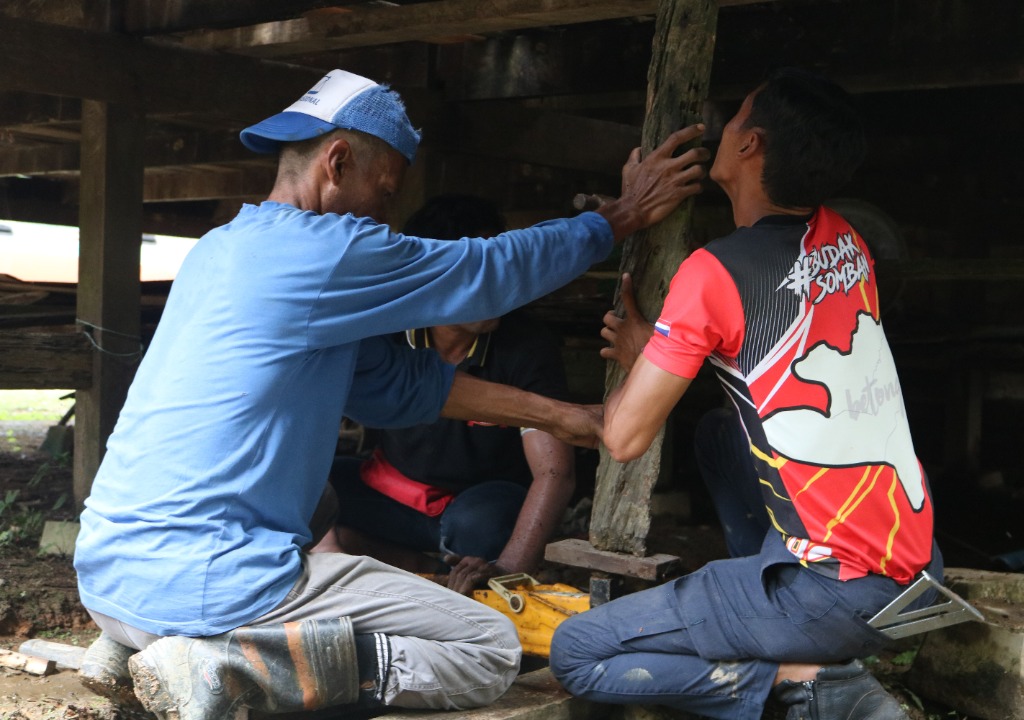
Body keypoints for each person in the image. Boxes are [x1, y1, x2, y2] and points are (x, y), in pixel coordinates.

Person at [71, 68, 709, 720]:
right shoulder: (323, 251)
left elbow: (399, 387)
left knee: (319, 499)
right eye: (384, 195)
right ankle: (229, 664)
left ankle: (132, 646)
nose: (386, 218)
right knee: (488, 646)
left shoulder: (222, 250)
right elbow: (487, 270)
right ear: (337, 162)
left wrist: (563, 417)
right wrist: (620, 217)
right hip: (204, 585)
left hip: (111, 579)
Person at [549, 67, 941, 720]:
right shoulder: (847, 241)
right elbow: (767, 371)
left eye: (733, 118)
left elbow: (622, 437)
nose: (724, 126)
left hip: (837, 597)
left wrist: (643, 363)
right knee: (719, 435)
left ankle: (800, 676)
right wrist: (663, 349)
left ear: (750, 144)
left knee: (578, 651)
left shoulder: (714, 273)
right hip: (918, 572)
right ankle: (772, 615)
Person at [318, 194, 578, 596]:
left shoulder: (525, 346)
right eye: (474, 273)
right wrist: (327, 545)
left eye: (499, 270)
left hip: (475, 507)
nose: (495, 286)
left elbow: (555, 472)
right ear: (429, 274)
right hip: (392, 498)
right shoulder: (384, 334)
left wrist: (509, 571)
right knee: (317, 490)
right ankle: (424, 567)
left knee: (481, 523)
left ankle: (427, 565)